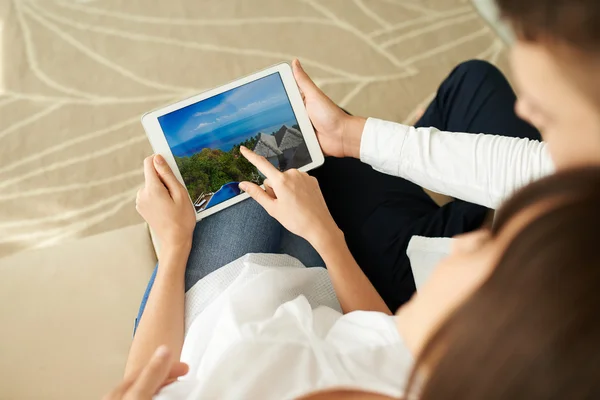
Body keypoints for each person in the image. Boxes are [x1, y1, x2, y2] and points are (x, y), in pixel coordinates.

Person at [105, 164, 600, 399]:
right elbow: (378, 330)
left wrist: (173, 247)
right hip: (301, 287)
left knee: (229, 187)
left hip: (202, 315)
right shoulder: (432, 374)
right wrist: (323, 231)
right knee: (289, 174)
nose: (469, 242)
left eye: (492, 250)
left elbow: (151, 372)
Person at [305, 0, 600, 310]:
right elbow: (531, 165)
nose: (524, 109)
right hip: (505, 224)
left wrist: (325, 236)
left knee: (317, 163)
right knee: (473, 79)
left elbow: (390, 340)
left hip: (445, 287)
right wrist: (350, 134)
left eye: (547, 110)